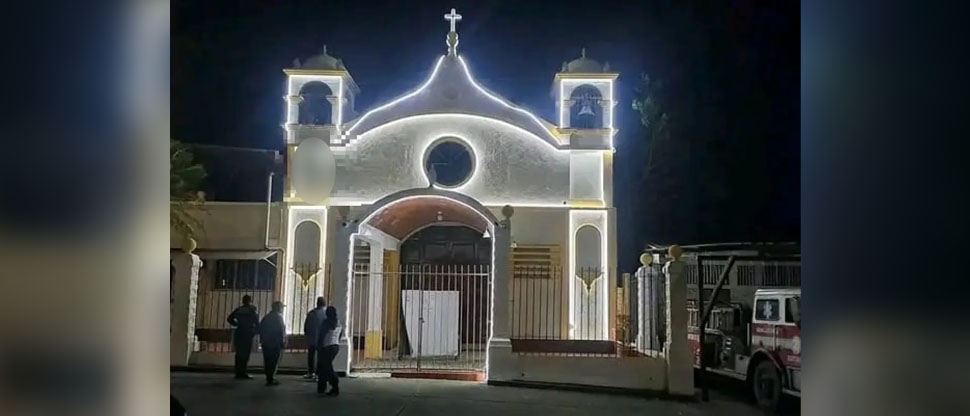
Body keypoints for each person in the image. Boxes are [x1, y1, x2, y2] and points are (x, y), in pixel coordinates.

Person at [226, 295, 259, 379]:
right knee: (245, 353)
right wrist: (255, 331)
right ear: (250, 301)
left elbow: (229, 318)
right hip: (247, 333)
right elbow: (256, 322)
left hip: (239, 331)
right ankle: (243, 372)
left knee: (239, 353)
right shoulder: (252, 311)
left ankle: (238, 372)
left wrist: (237, 324)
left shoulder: (239, 310)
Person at [259, 301, 286, 386]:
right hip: (275, 343)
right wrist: (283, 342)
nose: (282, 309)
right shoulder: (279, 317)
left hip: (266, 342)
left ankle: (268, 376)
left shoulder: (266, 317)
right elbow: (281, 330)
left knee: (267, 360)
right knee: (274, 360)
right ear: (279, 308)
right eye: (281, 307)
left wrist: (262, 339)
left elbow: (260, 328)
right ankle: (271, 377)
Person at [316, 306, 342, 396]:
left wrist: (319, 346)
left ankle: (334, 385)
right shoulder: (338, 322)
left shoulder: (326, 323)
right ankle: (322, 387)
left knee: (326, 368)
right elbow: (340, 335)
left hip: (326, 347)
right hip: (335, 346)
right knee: (325, 366)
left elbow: (321, 335)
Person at [303, 297, 327, 380]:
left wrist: (307, 335)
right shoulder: (326, 314)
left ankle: (311, 372)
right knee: (321, 357)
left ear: (317, 303)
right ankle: (318, 373)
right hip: (323, 339)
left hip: (312, 339)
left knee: (311, 356)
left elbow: (305, 327)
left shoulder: (311, 313)